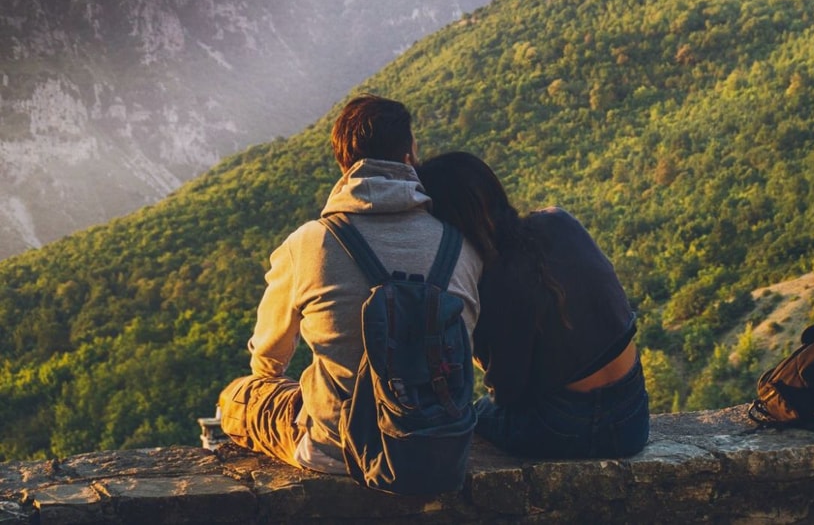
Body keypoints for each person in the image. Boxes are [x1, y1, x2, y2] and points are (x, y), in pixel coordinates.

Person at [216, 95, 483, 473]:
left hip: (337, 447)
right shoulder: (461, 246)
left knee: (238, 396)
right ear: (409, 156)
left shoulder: (310, 242)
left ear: (343, 164)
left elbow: (268, 357)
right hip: (438, 444)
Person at [416, 151, 648, 459]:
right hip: (634, 415)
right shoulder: (558, 221)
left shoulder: (495, 280)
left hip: (567, 426)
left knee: (471, 415)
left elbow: (508, 394)